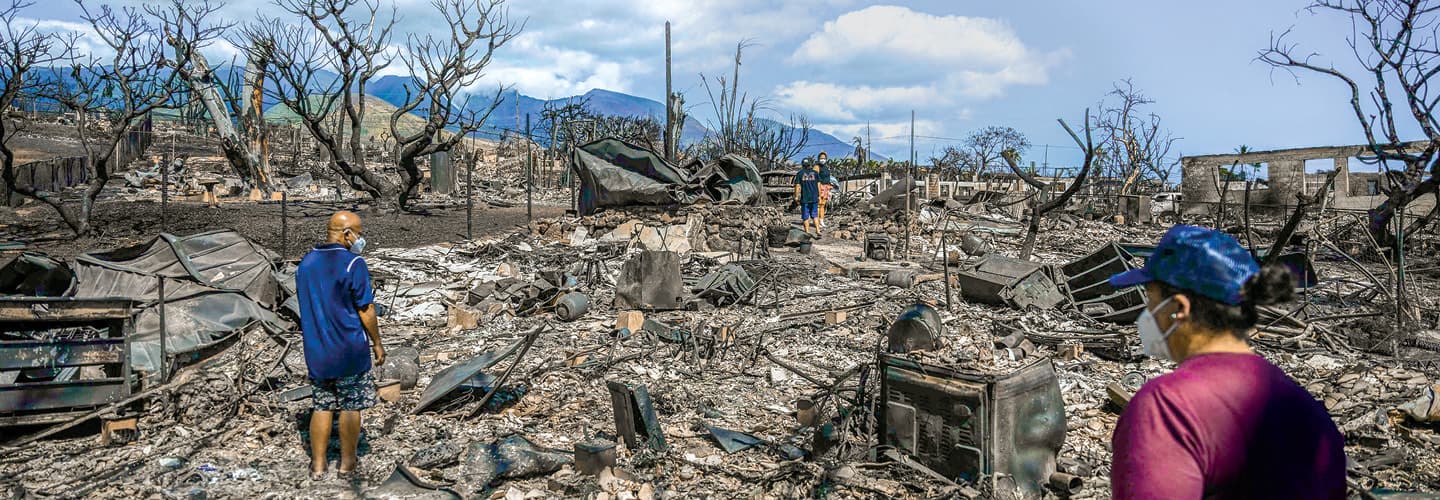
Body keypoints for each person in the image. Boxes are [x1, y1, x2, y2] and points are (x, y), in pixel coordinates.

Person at [1107, 225, 1345, 499]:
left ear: (1178, 310)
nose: (1147, 314)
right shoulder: (1305, 407)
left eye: (1151, 300)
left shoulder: (1168, 408)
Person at [296, 210, 385, 479]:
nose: (360, 238)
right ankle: (347, 464)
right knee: (350, 405)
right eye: (358, 232)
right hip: (348, 348)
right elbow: (366, 309)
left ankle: (318, 465)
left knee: (322, 405)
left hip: (317, 349)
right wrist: (378, 343)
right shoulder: (352, 264)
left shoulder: (306, 263)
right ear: (347, 234)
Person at [793, 157, 822, 237]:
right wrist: (819, 195)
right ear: (810, 165)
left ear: (802, 165)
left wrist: (796, 196)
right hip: (814, 198)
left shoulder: (800, 174)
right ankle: (818, 230)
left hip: (805, 198)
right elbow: (818, 185)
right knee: (815, 215)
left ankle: (807, 232)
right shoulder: (815, 173)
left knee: (806, 216)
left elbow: (797, 186)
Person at [815, 151, 838, 228]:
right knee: (818, 205)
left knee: (823, 205)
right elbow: (815, 177)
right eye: (821, 158)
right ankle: (817, 221)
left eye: (824, 158)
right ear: (818, 159)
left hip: (826, 187)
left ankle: (821, 221)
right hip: (819, 186)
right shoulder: (817, 167)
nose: (823, 159)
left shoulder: (826, 167)